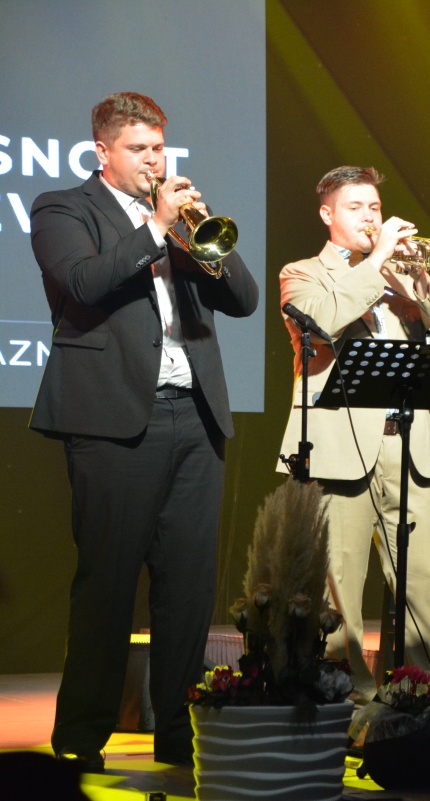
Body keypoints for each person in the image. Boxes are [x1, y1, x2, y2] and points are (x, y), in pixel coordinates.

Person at [29, 92, 259, 771]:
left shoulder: (181, 220)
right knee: (107, 582)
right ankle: (80, 738)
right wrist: (154, 229)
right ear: (103, 152)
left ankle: (181, 736)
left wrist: (197, 230)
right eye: (139, 149)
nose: (154, 160)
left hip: (193, 417)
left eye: (159, 147)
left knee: (188, 588)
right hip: (110, 421)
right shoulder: (63, 208)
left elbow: (243, 299)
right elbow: (84, 280)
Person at [277, 166, 430, 702]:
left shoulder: (402, 276)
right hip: (337, 445)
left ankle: (427, 693)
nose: (370, 217)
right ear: (327, 214)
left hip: (405, 443)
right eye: (357, 207)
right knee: (341, 582)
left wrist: (423, 281)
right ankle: (350, 700)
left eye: (376, 208)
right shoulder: (302, 272)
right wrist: (379, 260)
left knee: (422, 579)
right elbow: (325, 320)